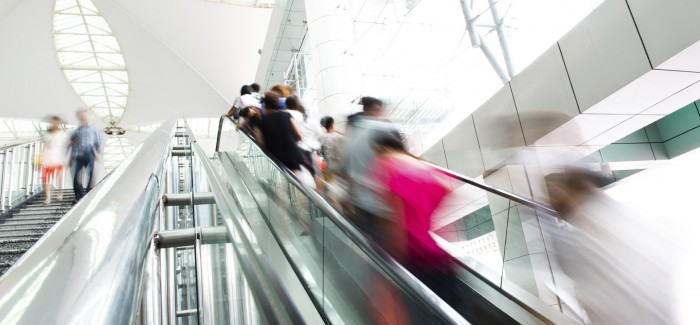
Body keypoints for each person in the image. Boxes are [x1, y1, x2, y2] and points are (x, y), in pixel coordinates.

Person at [545, 169, 676, 325]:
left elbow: (568, 262)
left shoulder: (594, 223)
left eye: (553, 192)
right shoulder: (625, 219)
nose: (550, 200)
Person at [368, 131, 458, 305]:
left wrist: (395, 263)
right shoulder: (424, 167)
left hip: (414, 256)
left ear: (383, 148)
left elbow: (397, 223)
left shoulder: (387, 166)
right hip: (439, 258)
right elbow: (447, 188)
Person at [342, 96, 398, 236]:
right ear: (375, 110)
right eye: (380, 111)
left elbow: (345, 167)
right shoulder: (383, 128)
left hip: (360, 202)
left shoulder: (352, 134)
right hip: (383, 204)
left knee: (371, 245)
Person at [255, 92, 304, 172]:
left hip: (275, 160)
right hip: (293, 156)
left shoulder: (260, 122)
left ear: (265, 105)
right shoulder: (286, 115)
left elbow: (261, 144)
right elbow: (299, 135)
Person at [286, 96, 323, 187]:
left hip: (293, 148)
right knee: (314, 172)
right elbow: (318, 132)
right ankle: (318, 196)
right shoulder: (307, 118)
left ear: (286, 105)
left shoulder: (285, 114)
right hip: (308, 148)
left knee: (298, 175)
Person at [69, 109, 102, 202]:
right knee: (76, 176)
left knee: (91, 174)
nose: (83, 118)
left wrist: (97, 154)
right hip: (78, 155)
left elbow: (97, 143)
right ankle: (78, 195)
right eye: (81, 116)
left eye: (85, 116)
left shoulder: (94, 130)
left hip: (90, 153)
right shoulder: (76, 131)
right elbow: (72, 143)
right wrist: (72, 155)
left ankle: (88, 193)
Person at [39, 116, 69, 204]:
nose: (53, 124)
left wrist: (66, 158)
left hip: (58, 158)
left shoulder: (62, 134)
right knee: (46, 178)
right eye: (52, 122)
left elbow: (65, 146)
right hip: (47, 158)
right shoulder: (47, 134)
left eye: (55, 122)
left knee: (59, 176)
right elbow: (45, 146)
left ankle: (60, 193)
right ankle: (48, 197)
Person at [318, 116, 344, 181]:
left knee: (330, 185)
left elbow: (319, 152)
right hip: (339, 168)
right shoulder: (339, 137)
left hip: (327, 168)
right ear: (332, 124)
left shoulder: (320, 137)